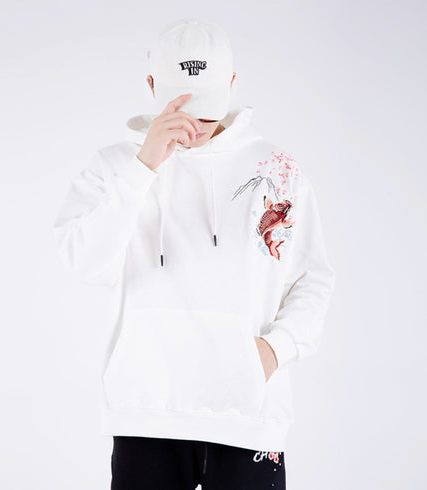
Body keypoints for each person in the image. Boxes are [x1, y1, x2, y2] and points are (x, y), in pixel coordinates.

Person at [53, 17, 335, 490]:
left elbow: (312, 278)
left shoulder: (275, 170)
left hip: (249, 418)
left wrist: (274, 350)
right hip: (146, 415)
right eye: (183, 105)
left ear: (231, 83)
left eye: (208, 107)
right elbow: (85, 262)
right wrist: (144, 166)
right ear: (151, 86)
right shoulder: (113, 166)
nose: (197, 123)